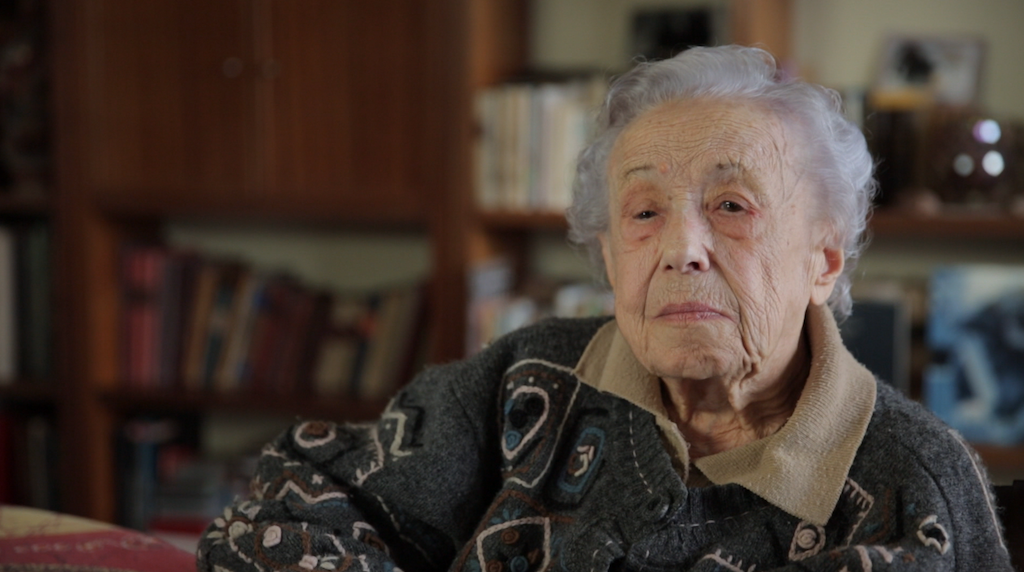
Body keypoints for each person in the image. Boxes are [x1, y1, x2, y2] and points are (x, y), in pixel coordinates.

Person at [196, 46, 1011, 571]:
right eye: (645, 211)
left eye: (732, 205)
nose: (679, 248)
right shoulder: (528, 379)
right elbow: (281, 513)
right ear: (611, 252)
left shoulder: (915, 487)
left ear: (822, 260)